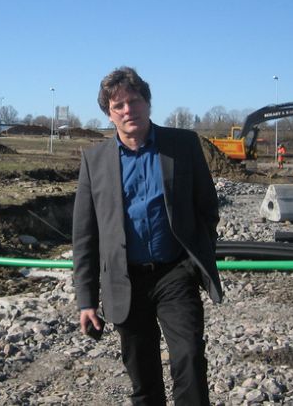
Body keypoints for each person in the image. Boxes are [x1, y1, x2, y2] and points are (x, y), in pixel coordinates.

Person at [72, 66, 223, 405]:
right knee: (143, 377)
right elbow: (85, 235)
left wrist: (195, 257)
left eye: (134, 100)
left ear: (148, 103)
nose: (129, 110)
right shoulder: (94, 161)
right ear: (109, 115)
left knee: (189, 357)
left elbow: (207, 207)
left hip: (174, 274)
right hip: (124, 282)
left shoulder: (182, 145)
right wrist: (86, 301)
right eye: (119, 106)